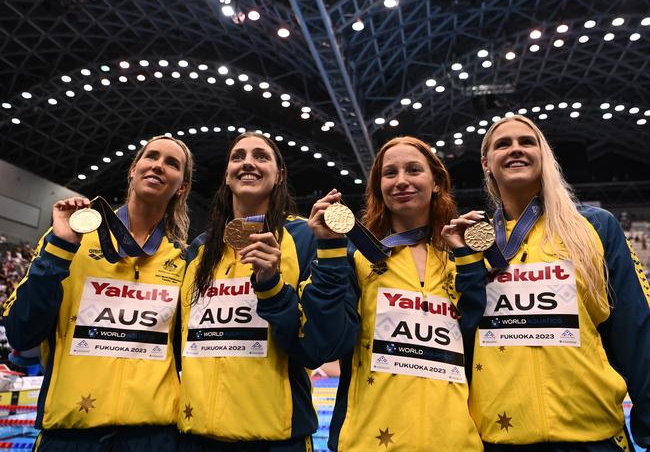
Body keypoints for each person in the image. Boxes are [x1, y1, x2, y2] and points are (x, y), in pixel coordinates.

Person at [447, 115, 650, 451]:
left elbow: (636, 328)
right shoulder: (472, 242)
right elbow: (460, 339)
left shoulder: (595, 226)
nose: (516, 150)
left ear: (544, 155)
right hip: (501, 435)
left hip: (592, 434)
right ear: (486, 164)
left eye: (527, 142)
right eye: (503, 144)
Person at [3, 135, 193, 451]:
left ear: (182, 187)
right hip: (70, 434)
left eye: (171, 163)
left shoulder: (184, 259)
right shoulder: (71, 239)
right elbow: (21, 332)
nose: (158, 166)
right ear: (134, 169)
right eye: (151, 157)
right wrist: (61, 248)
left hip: (153, 437)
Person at [299, 136, 485, 451]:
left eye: (413, 170)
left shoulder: (459, 257)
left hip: (456, 442)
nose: (401, 181)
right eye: (390, 173)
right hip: (368, 442)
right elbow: (324, 347)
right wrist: (329, 247)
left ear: (436, 182)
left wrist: (468, 264)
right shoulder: (354, 257)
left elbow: (479, 344)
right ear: (378, 187)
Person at [178, 132, 318, 451]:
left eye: (261, 156)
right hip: (196, 434)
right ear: (227, 176)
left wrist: (272, 286)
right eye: (238, 157)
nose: (248, 163)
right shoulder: (199, 249)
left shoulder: (303, 237)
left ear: (279, 175)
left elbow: (315, 343)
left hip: (275, 436)